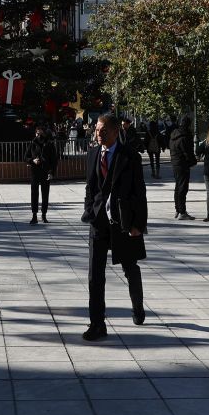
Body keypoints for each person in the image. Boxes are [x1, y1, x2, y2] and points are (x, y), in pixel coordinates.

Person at [81, 113, 147, 341]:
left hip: (123, 222)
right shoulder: (92, 154)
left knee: (130, 268)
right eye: (96, 130)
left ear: (115, 131)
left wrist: (138, 224)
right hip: (98, 223)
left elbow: (140, 192)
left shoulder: (129, 156)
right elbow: (90, 187)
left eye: (103, 131)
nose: (98, 134)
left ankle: (137, 307)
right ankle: (97, 324)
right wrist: (89, 210)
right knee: (94, 276)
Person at [25, 124, 58, 224]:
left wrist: (52, 172)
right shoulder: (32, 143)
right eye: (37, 133)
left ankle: (44, 215)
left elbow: (54, 160)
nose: (38, 135)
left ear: (44, 133)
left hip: (45, 172)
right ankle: (34, 215)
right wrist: (32, 161)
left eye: (40, 133)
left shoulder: (49, 144)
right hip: (35, 172)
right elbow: (26, 157)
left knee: (45, 194)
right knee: (34, 194)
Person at [168, 115, 196, 219]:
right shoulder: (185, 136)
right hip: (183, 164)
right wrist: (192, 161)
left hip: (175, 163)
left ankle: (178, 209)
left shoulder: (174, 134)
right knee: (183, 187)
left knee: (178, 186)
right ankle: (182, 211)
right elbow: (187, 152)